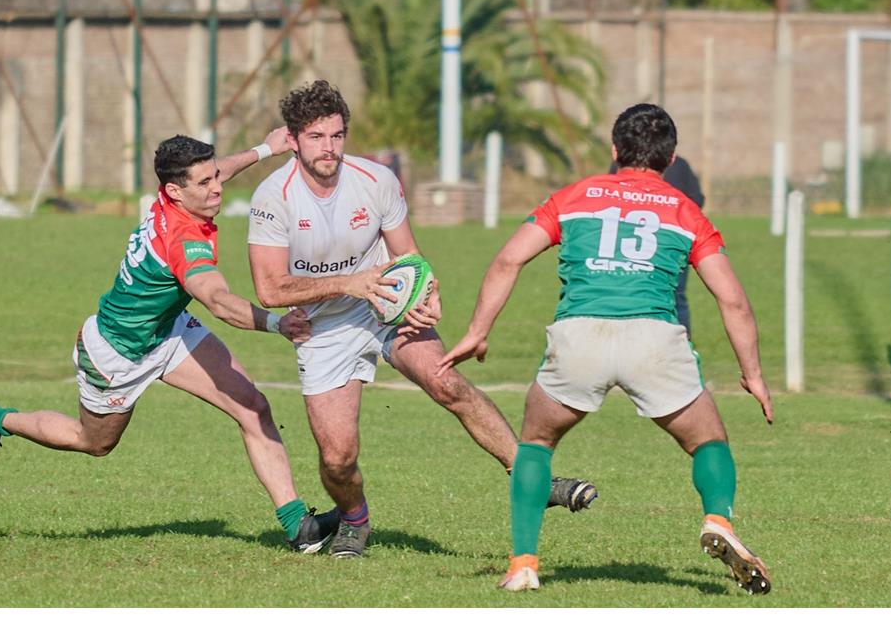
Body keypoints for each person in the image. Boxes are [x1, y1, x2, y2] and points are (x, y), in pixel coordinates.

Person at [246, 80, 598, 560]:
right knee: (337, 457)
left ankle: (533, 480)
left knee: (448, 383)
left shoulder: (375, 181)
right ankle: (354, 520)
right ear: (293, 140)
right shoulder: (274, 196)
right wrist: (350, 283)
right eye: (316, 137)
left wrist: (426, 292)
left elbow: (408, 256)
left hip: (384, 307)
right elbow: (269, 288)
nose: (329, 148)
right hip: (322, 327)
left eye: (337, 135)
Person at [439, 103, 775, 594]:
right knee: (708, 442)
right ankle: (718, 521)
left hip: (581, 337)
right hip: (653, 339)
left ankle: (523, 565)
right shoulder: (686, 210)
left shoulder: (573, 197)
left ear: (615, 150)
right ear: (671, 157)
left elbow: (509, 260)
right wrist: (754, 374)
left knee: (535, 444)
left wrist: (477, 330)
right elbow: (733, 301)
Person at [0, 130, 342, 554]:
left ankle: (298, 528)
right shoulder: (184, 240)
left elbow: (216, 171)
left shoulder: (168, 195)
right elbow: (219, 302)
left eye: (214, 177)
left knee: (252, 406)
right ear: (175, 191)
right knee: (94, 442)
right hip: (116, 352)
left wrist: (265, 150)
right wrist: (277, 324)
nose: (217, 187)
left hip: (169, 329)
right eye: (205, 184)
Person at [608, 152, 705, 336]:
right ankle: (683, 343)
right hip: (673, 244)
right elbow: (697, 199)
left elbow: (609, 200)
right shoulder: (681, 165)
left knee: (627, 292)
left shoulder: (621, 166)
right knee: (676, 296)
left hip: (629, 246)